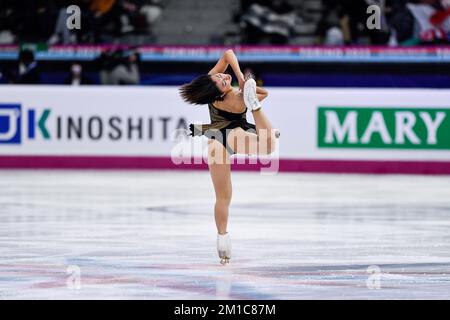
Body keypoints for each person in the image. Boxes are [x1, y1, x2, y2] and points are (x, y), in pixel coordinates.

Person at [179, 49, 277, 265]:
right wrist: (246, 86)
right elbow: (265, 93)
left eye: (220, 75)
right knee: (269, 145)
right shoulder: (234, 98)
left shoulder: (212, 89)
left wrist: (239, 80)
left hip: (216, 142)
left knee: (223, 198)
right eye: (223, 81)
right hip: (231, 136)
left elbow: (227, 55)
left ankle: (222, 239)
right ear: (220, 93)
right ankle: (256, 109)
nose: (224, 77)